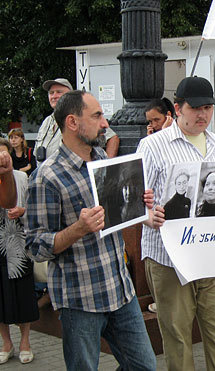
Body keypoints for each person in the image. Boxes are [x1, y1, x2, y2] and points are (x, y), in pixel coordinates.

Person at [26, 90, 156, 371]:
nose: (105, 122)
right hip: (80, 298)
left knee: (145, 366)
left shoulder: (102, 160)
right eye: (96, 115)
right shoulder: (46, 178)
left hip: (120, 290)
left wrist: (139, 206)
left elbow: (119, 215)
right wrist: (78, 228)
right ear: (72, 122)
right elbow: (35, 246)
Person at [136, 76, 215, 371]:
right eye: (196, 108)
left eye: (208, 108)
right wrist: (148, 216)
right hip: (170, 260)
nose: (203, 115)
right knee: (178, 338)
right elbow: (133, 202)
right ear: (177, 109)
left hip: (214, 258)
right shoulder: (152, 146)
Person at [0, 139, 38, 365]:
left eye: (4, 154)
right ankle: (6, 342)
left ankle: (25, 341)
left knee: (23, 291)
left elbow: (33, 206)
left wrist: (23, 210)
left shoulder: (21, 177)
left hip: (17, 239)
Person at [34, 78, 72, 165]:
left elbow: (110, 137)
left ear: (70, 95)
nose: (54, 96)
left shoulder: (79, 117)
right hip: (44, 175)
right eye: (51, 93)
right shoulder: (46, 122)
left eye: (59, 92)